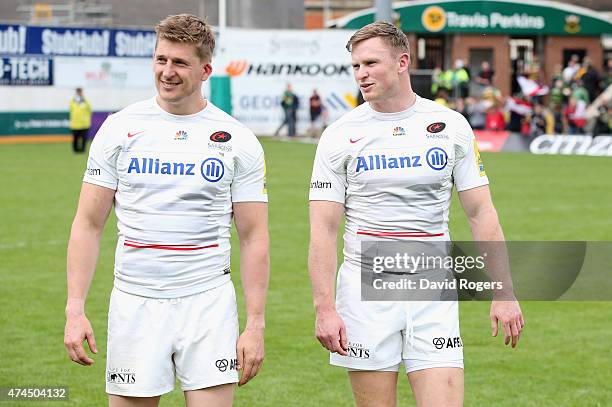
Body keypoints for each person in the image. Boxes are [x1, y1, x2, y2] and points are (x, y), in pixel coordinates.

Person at [308, 21, 524, 407]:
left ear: (402, 62)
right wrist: (325, 308)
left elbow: (481, 212)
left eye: (371, 63)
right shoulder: (339, 135)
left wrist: (503, 292)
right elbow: (322, 229)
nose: (362, 74)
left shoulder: (450, 126)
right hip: (364, 291)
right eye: (356, 66)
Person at [63, 14, 269, 407]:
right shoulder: (119, 129)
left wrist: (254, 325)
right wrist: (75, 309)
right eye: (161, 60)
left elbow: (254, 236)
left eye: (179, 63)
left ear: (206, 69)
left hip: (207, 302)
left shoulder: (238, 141)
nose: (167, 72)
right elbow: (88, 225)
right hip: (134, 300)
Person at [69, 87, 92, 153]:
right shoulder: (72, 101)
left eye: (80, 92)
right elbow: (71, 109)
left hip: (84, 123)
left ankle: (82, 150)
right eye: (78, 92)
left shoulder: (86, 101)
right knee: (75, 138)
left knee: (84, 138)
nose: (79, 93)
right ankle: (75, 150)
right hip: (75, 124)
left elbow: (90, 109)